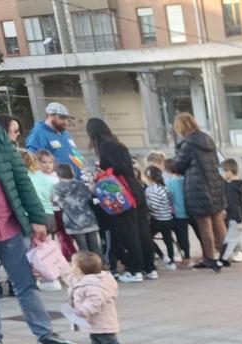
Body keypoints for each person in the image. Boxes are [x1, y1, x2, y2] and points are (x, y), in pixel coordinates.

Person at [0, 110, 77, 344]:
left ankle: (45, 335)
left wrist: (37, 218)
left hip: (11, 226)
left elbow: (21, 179)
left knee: (26, 284)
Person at [84, 117, 156, 284]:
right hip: (134, 189)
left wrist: (101, 172)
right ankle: (149, 267)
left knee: (128, 233)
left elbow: (117, 167)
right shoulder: (117, 144)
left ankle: (135, 270)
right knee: (142, 230)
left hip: (122, 193)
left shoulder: (106, 146)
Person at [166, 112, 227, 271]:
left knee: (204, 224)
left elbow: (179, 166)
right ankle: (225, 254)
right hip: (214, 184)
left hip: (198, 188)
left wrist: (174, 155)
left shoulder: (188, 144)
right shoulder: (207, 139)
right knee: (218, 221)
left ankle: (210, 258)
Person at [68, 251, 123, 344]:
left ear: (79, 270)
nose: (70, 267)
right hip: (93, 319)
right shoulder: (83, 280)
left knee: (108, 338)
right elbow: (69, 279)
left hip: (101, 318)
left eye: (72, 265)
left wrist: (84, 310)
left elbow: (94, 301)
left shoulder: (93, 285)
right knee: (94, 337)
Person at [51, 164, 101, 255]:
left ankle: (86, 268)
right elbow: (89, 197)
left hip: (72, 221)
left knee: (82, 248)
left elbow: (59, 203)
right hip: (88, 217)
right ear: (72, 172)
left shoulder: (56, 187)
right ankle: (100, 266)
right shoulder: (80, 183)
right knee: (95, 246)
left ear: (58, 174)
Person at [24, 102, 85, 175]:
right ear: (49, 116)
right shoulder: (38, 133)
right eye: (62, 118)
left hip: (75, 180)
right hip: (55, 182)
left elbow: (74, 154)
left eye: (67, 119)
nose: (66, 122)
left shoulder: (66, 133)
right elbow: (32, 160)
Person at [143, 166, 177, 271]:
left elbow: (153, 206)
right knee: (168, 240)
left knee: (146, 238)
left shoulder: (151, 189)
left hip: (158, 219)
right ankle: (171, 260)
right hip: (168, 219)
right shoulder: (164, 187)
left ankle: (162, 256)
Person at [162, 158, 193, 267]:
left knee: (181, 236)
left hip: (177, 212)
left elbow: (168, 197)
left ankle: (185, 256)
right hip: (188, 211)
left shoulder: (169, 182)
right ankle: (187, 255)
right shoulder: (185, 179)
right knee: (185, 235)